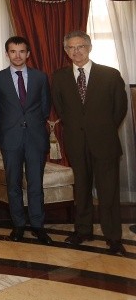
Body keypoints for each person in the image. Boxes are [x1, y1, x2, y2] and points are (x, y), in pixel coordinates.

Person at [52, 31, 128, 256]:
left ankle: (113, 237)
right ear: (66, 51)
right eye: (71, 48)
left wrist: (101, 129)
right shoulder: (59, 77)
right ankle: (83, 231)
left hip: (105, 143)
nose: (76, 51)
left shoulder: (110, 75)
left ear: (89, 47)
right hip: (76, 142)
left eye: (81, 46)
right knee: (82, 190)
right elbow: (61, 109)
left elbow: (119, 109)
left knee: (109, 192)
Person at [0, 36, 53, 245]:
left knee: (36, 184)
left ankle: (38, 226)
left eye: (21, 51)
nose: (17, 56)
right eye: (13, 51)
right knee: (13, 184)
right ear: (7, 53)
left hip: (35, 137)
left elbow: (45, 107)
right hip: (10, 138)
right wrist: (7, 127)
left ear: (28, 54)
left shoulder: (40, 77)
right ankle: (18, 225)